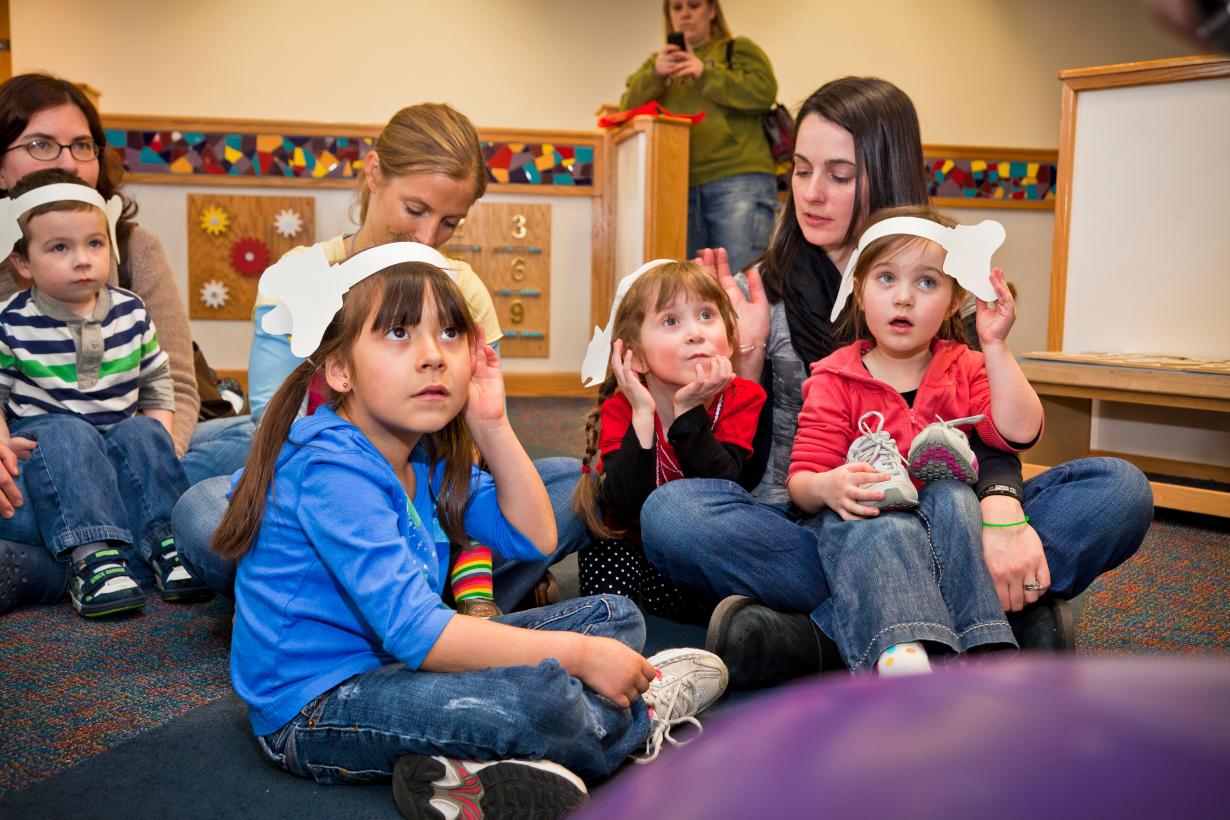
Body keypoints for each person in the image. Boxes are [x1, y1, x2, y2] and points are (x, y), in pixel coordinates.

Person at [638, 76, 1153, 688]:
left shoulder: (945, 280)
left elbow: (995, 436)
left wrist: (1003, 509)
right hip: (825, 522)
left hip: (954, 516)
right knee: (673, 515)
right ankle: (987, 620)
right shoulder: (757, 293)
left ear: (884, 173)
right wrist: (744, 363)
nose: (813, 193)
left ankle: (818, 640)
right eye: (801, 171)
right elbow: (752, 476)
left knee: (1118, 491)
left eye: (840, 174)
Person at [216, 244, 727, 813]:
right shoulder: (330, 468)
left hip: (397, 664)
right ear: (339, 370)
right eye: (397, 333)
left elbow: (534, 538)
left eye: (451, 334)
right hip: (316, 707)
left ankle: (466, 769)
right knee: (550, 701)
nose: (433, 356)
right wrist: (579, 660)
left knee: (612, 616)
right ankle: (636, 714)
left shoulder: (427, 460)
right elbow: (418, 634)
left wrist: (492, 424)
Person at [175, 103, 508, 615]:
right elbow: (275, 427)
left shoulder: (462, 285)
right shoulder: (301, 277)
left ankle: (391, 590)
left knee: (561, 488)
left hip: (434, 490)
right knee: (200, 510)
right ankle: (422, 585)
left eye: (449, 223)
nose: (427, 238)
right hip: (330, 492)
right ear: (374, 172)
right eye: (415, 210)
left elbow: (481, 432)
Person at [787, 205, 1044, 673]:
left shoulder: (966, 365)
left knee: (954, 495)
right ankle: (903, 650)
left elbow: (1019, 432)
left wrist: (995, 345)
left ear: (951, 303)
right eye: (886, 278)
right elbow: (802, 481)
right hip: (871, 533)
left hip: (958, 535)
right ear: (860, 292)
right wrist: (829, 486)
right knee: (884, 524)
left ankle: (978, 646)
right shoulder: (833, 378)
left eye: (926, 282)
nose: (904, 297)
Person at [0, 73, 255, 489]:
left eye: (82, 146)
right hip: (30, 465)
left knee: (256, 441)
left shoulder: (134, 248)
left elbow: (173, 381)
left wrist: (143, 473)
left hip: (132, 453)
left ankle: (127, 529)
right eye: (40, 145)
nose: (68, 163)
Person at [0, 170, 207, 617]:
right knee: (69, 432)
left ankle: (166, 544)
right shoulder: (12, 321)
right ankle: (90, 555)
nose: (82, 259)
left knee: (143, 432)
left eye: (95, 244)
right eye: (60, 248)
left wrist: (160, 443)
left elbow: (157, 383)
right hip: (47, 446)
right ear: (22, 262)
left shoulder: (131, 311)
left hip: (113, 436)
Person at [573, 260, 765, 623]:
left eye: (707, 315)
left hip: (694, 545)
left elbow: (723, 484)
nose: (696, 334)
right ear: (637, 356)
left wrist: (689, 412)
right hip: (627, 540)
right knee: (606, 592)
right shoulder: (622, 408)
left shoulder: (744, 397)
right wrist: (643, 415)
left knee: (707, 592)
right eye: (671, 321)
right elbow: (624, 502)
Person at [620, 0, 779, 274]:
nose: (685, 14)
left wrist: (705, 73)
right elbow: (626, 107)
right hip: (678, 186)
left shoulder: (736, 49)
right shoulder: (657, 66)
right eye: (677, 7)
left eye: (693, 5)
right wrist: (655, 74)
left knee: (741, 281)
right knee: (688, 287)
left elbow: (764, 92)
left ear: (712, 11)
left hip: (739, 178)